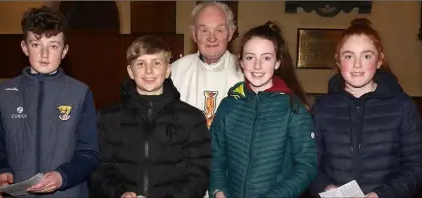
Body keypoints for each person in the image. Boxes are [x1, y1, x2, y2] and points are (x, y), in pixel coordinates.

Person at [0, 6, 100, 198]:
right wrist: (0, 171)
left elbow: (90, 153)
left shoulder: (80, 93)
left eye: (53, 46)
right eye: (36, 44)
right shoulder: (2, 94)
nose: (44, 54)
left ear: (64, 50)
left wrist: (62, 176)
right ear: (24, 47)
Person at [310, 18, 422, 198]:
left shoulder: (403, 107)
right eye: (348, 56)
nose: (357, 64)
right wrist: (326, 188)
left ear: (379, 60)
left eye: (367, 56)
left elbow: (416, 166)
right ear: (338, 62)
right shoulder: (322, 109)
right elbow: (310, 164)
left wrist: (380, 194)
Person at [89, 35, 211, 198]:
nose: (148, 70)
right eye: (140, 63)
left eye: (156, 63)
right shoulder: (108, 117)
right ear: (130, 71)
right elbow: (98, 169)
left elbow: (199, 171)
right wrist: (118, 194)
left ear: (167, 70)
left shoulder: (191, 118)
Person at [209, 21, 317, 198]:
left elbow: (306, 166)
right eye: (250, 57)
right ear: (241, 62)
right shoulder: (228, 105)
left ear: (277, 63)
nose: (257, 66)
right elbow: (215, 156)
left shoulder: (294, 108)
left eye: (266, 58)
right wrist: (219, 191)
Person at [171, 1, 244, 128]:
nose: (212, 38)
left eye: (219, 30)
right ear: (194, 34)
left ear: (230, 33)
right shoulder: (174, 72)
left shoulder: (245, 72)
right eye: (204, 30)